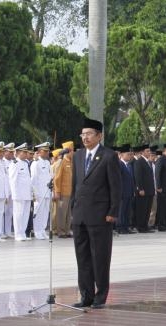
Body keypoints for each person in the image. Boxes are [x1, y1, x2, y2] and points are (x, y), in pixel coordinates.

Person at [70, 118, 121, 309]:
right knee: (82, 258)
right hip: (80, 216)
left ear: (99, 136)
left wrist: (112, 211)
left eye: (89, 134)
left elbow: (116, 187)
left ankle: (100, 297)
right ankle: (86, 295)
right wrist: (73, 211)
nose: (85, 137)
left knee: (100, 257)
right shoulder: (78, 155)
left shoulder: (108, 156)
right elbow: (76, 185)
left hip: (100, 215)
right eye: (82, 134)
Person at [8, 143, 32, 241]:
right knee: (18, 214)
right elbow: (13, 180)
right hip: (19, 194)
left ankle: (23, 233)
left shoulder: (26, 163)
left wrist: (31, 193)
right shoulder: (14, 164)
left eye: (26, 152)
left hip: (26, 194)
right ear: (17, 153)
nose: (26, 154)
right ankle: (18, 234)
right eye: (24, 152)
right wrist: (15, 195)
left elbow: (28, 180)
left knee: (25, 214)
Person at [52, 142, 74, 238]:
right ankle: (60, 231)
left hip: (70, 192)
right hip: (63, 192)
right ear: (67, 152)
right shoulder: (61, 162)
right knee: (61, 212)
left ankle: (67, 230)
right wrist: (57, 192)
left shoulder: (71, 163)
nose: (73, 153)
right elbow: (57, 178)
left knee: (68, 213)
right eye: (72, 151)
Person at [31, 142, 52, 240]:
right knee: (38, 212)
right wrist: (34, 193)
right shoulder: (35, 163)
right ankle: (37, 231)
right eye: (45, 151)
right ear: (39, 152)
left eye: (48, 151)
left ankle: (42, 230)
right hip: (39, 192)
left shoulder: (47, 162)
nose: (48, 153)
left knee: (45, 212)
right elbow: (33, 180)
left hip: (47, 191)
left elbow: (49, 177)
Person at [133, 144, 155, 233]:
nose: (149, 153)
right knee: (142, 209)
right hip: (143, 190)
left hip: (149, 190)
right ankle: (140, 226)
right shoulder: (139, 162)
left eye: (149, 151)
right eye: (147, 151)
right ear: (142, 152)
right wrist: (140, 188)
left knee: (147, 209)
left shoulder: (148, 162)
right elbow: (138, 176)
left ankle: (145, 225)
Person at [116, 144, 135, 234]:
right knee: (121, 211)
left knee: (127, 211)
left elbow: (131, 180)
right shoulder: (119, 164)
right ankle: (120, 227)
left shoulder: (130, 165)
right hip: (122, 193)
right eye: (127, 154)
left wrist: (132, 191)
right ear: (122, 155)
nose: (129, 156)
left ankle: (126, 227)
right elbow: (118, 180)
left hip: (129, 192)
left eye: (130, 154)